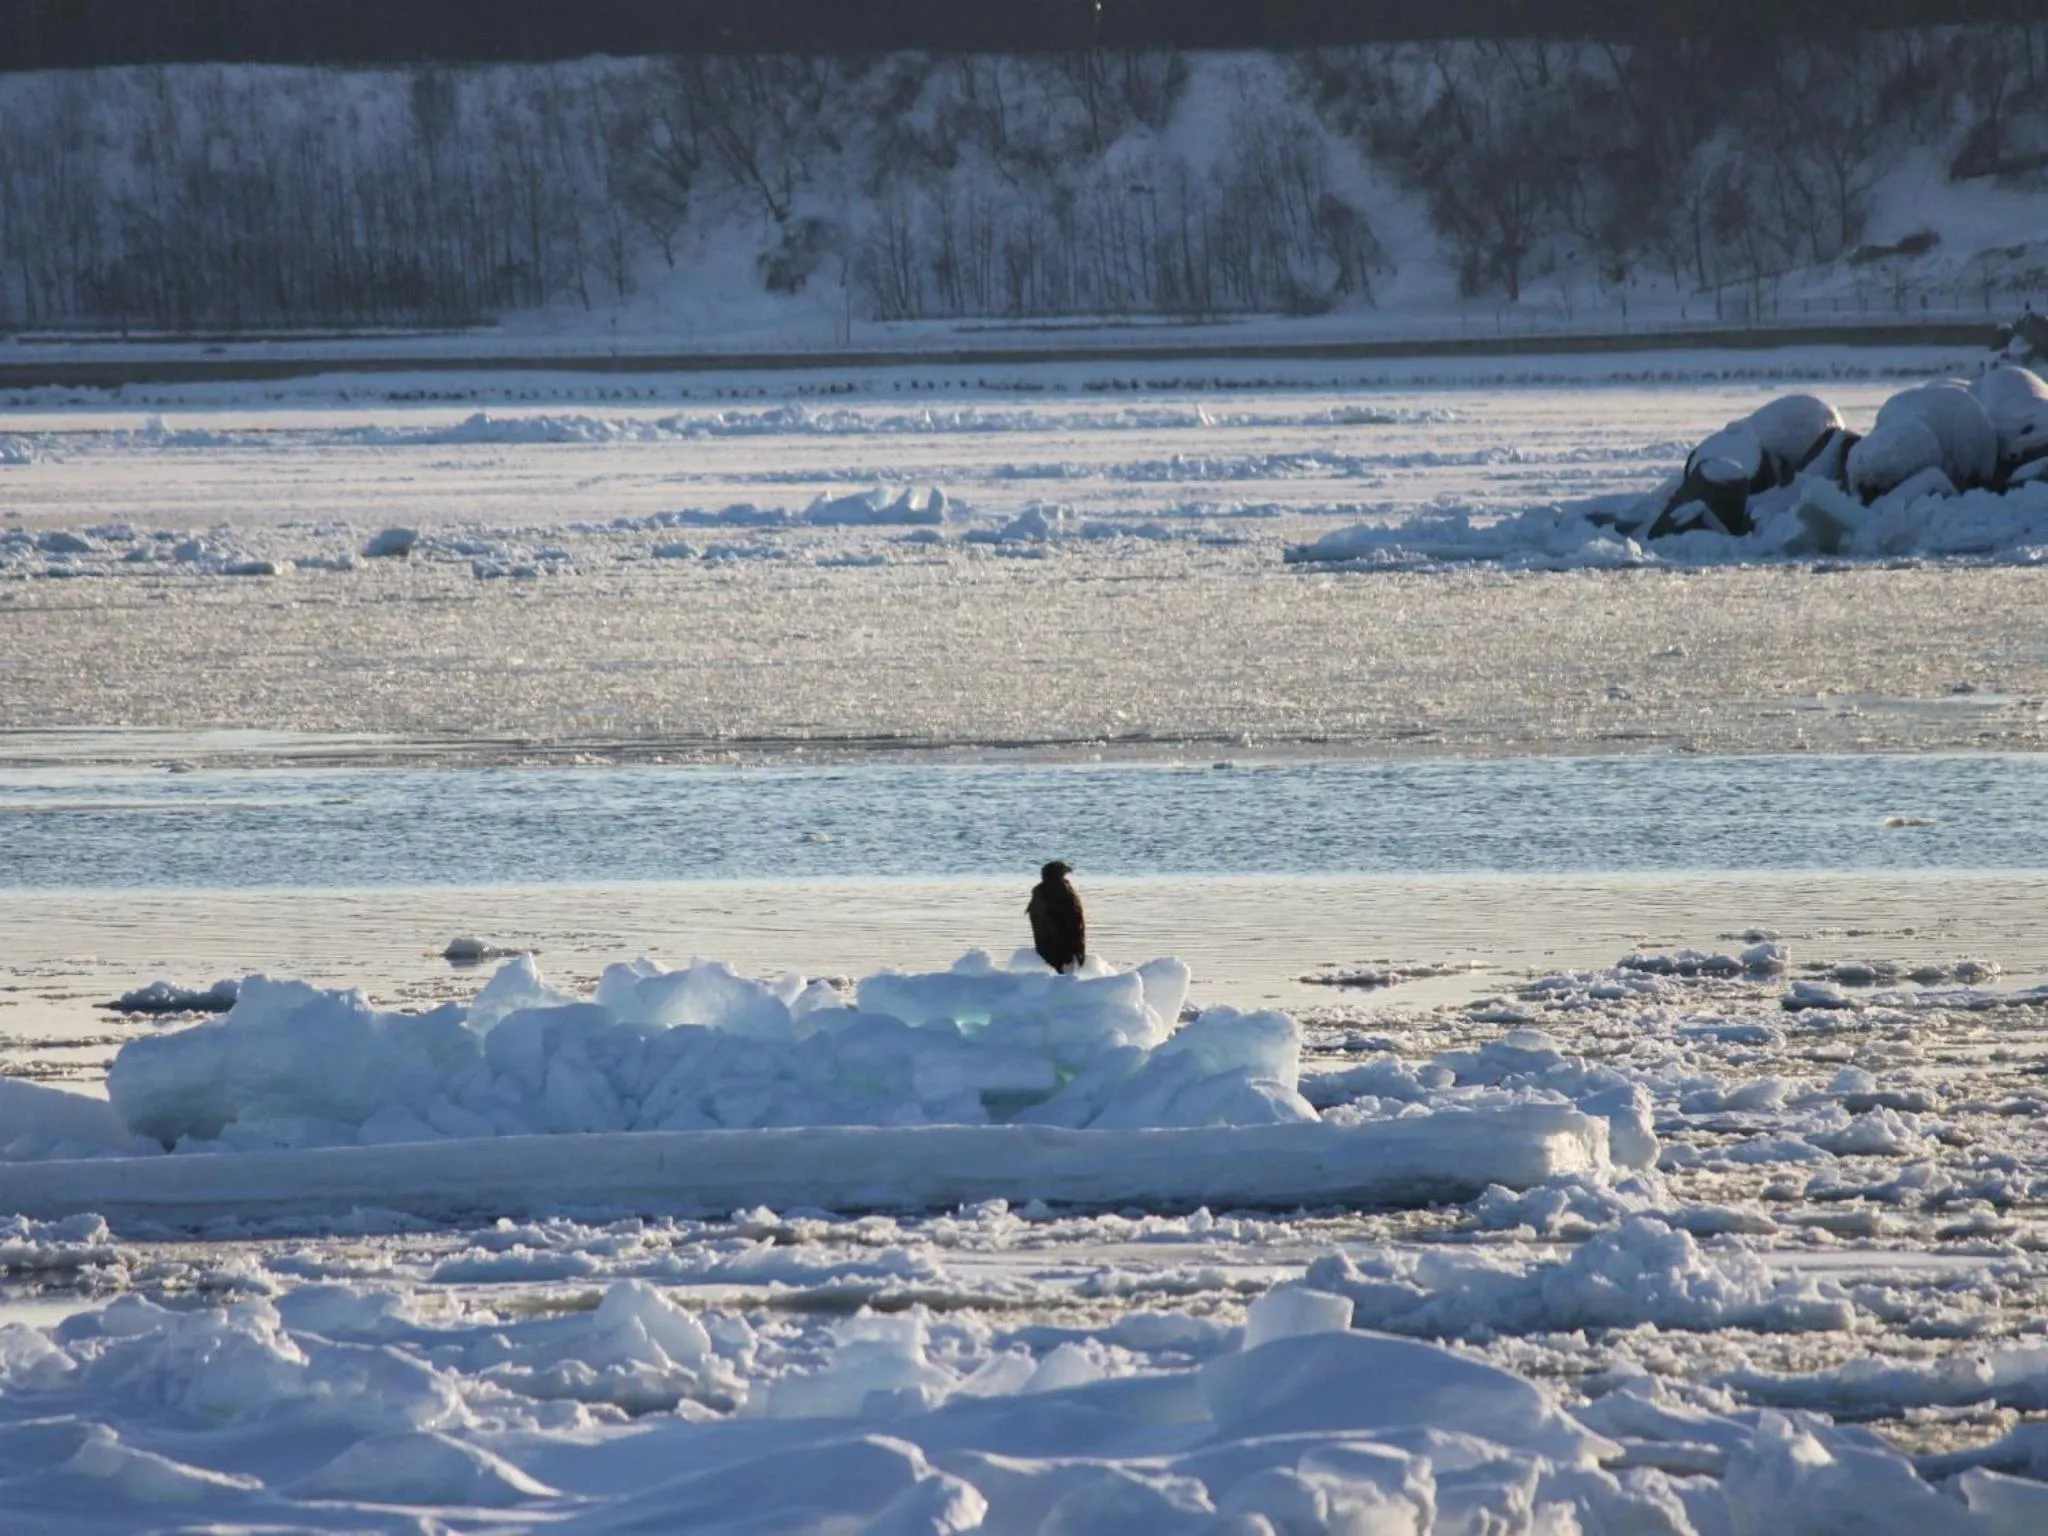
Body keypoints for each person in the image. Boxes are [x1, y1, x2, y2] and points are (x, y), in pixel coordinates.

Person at [1027, 860, 1086, 974]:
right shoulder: (1065, 891)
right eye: (1062, 869)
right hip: (1063, 944)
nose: (1067, 870)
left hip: (1051, 945)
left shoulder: (1040, 892)